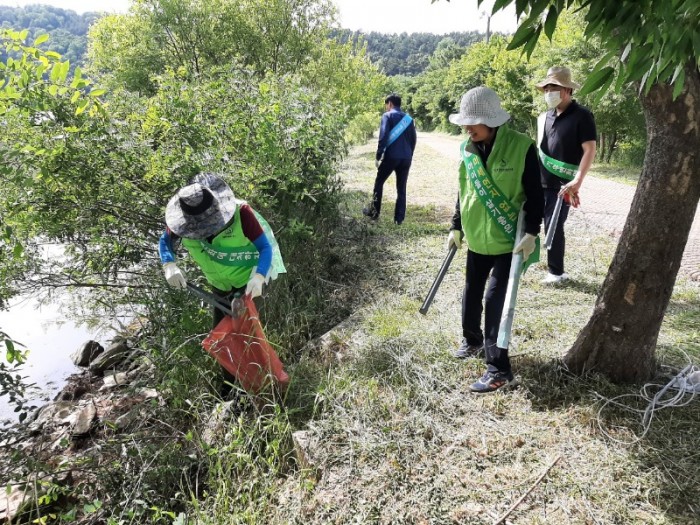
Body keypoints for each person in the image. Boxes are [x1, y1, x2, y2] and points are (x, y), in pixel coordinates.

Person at [446, 86, 544, 393]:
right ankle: (472, 341)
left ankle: (499, 369)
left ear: (492, 121)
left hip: (508, 242)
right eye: (465, 122)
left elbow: (535, 194)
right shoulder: (467, 150)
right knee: (472, 292)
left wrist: (531, 232)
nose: (466, 127)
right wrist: (456, 226)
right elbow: (464, 191)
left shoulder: (522, 147)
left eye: (472, 122)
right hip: (476, 237)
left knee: (496, 301)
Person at [158, 173, 286, 389]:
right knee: (223, 338)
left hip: (248, 285)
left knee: (250, 335)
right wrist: (169, 264)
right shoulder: (183, 221)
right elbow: (166, 241)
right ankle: (231, 387)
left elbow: (264, 248)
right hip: (219, 286)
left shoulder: (240, 213)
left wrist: (259, 276)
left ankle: (267, 383)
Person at [535, 66, 597, 284]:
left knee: (554, 224)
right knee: (536, 221)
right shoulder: (545, 117)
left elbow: (589, 149)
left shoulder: (582, 116)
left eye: (555, 87)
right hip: (540, 180)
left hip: (563, 184)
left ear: (568, 90)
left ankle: (556, 272)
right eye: (547, 87)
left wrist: (577, 181)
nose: (549, 91)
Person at [363, 93, 417, 225]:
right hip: (406, 158)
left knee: (379, 182)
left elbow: (383, 136)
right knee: (401, 188)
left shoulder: (387, 116)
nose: (386, 108)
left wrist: (378, 155)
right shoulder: (409, 119)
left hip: (391, 157)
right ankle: (399, 219)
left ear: (390, 104)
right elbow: (413, 139)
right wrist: (409, 155)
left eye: (386, 105)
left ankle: (374, 213)